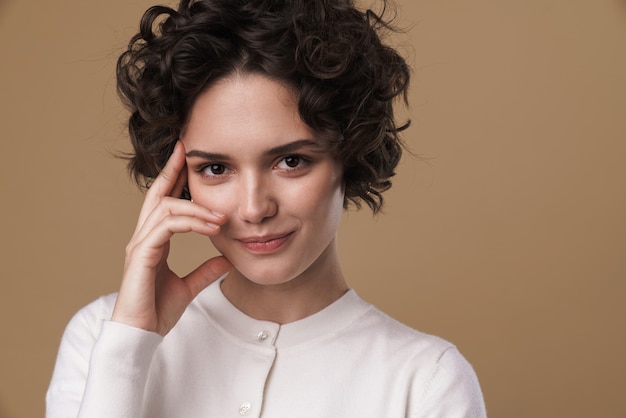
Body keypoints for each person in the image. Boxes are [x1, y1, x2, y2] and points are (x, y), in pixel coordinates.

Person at [46, 0, 487, 416]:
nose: (254, 208)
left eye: (291, 161)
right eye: (216, 168)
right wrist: (130, 346)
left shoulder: (425, 382)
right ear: (180, 178)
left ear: (350, 154)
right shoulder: (102, 337)